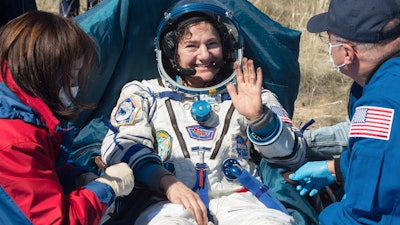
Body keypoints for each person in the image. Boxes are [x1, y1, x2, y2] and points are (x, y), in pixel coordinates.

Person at [100, 0, 308, 224]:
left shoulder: (251, 94)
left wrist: (259, 119)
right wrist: (163, 179)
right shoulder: (145, 93)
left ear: (226, 47)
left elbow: (295, 155)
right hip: (167, 201)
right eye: (191, 46)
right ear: (171, 52)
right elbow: (120, 146)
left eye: (212, 44)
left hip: (243, 201)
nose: (205, 55)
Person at [0, 11, 135, 225]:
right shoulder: (15, 142)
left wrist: (75, 177)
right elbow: (56, 221)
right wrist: (108, 188)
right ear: (43, 72)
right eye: (71, 75)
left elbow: (43, 171)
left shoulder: (23, 112)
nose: (76, 85)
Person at [288, 0, 400, 223]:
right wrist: (337, 168)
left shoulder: (381, 107)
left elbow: (367, 217)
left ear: (348, 53)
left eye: (328, 40)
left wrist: (323, 217)